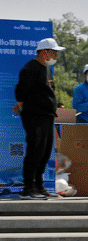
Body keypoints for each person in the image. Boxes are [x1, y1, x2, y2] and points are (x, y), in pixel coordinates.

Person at [14, 38, 66, 199]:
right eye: (54, 51)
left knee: (44, 152)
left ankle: (40, 186)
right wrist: (22, 105)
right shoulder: (30, 68)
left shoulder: (47, 69)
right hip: (34, 115)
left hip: (47, 115)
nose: (56, 55)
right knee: (35, 150)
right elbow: (21, 90)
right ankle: (28, 189)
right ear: (44, 52)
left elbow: (49, 90)